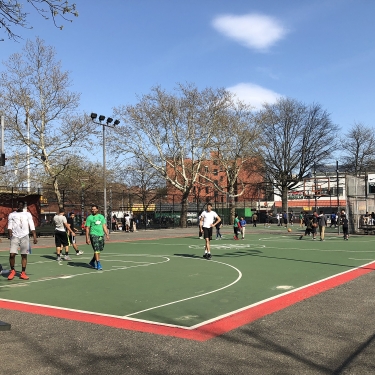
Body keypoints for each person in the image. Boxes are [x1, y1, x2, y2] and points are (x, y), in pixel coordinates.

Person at [7, 201, 38, 280]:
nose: (20, 206)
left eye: (22, 205)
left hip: (25, 236)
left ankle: (23, 272)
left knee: (24, 255)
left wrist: (34, 236)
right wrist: (10, 233)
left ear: (24, 206)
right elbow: (10, 226)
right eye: (19, 205)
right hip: (15, 236)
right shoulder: (12, 214)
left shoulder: (27, 214)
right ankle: (12, 270)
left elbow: (32, 225)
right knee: (12, 254)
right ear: (17, 205)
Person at [85, 204, 110, 270]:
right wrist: (87, 238)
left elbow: (104, 226)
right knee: (96, 249)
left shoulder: (101, 217)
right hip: (93, 235)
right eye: (92, 209)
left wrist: (107, 234)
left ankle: (92, 261)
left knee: (99, 249)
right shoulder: (89, 218)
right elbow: (87, 228)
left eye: (94, 209)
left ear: (97, 209)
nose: (93, 210)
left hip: (101, 235)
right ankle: (98, 263)